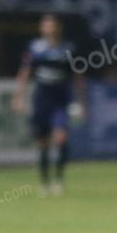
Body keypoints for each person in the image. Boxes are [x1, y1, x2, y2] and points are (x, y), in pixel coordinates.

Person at [12, 14, 85, 196]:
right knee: (42, 142)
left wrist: (81, 102)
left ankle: (59, 179)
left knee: (61, 138)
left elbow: (78, 77)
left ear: (58, 27)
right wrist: (19, 96)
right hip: (42, 99)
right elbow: (25, 72)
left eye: (52, 25)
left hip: (61, 100)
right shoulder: (35, 48)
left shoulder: (68, 50)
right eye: (46, 25)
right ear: (42, 28)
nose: (49, 28)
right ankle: (44, 182)